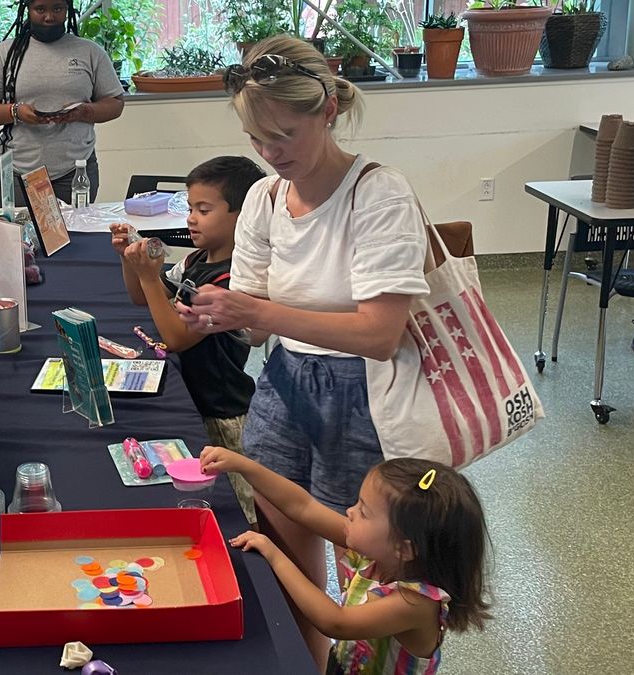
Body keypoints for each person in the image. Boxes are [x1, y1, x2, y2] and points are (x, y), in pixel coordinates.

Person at [177, 35, 431, 669]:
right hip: (287, 382)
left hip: (367, 394)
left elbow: (380, 333)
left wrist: (253, 311)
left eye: (283, 135)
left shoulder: (378, 194)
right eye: (256, 140)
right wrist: (214, 316)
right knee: (282, 541)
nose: (269, 154)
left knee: (369, 559)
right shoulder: (264, 199)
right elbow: (257, 328)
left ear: (329, 111)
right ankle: (306, 663)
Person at [201, 449, 490, 675]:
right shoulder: (380, 553)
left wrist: (274, 553)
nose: (350, 512)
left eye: (364, 511)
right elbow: (302, 506)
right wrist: (246, 467)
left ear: (405, 548)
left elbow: (336, 623)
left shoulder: (416, 603)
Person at [109, 156, 266, 523]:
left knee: (240, 507)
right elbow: (142, 298)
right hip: (200, 397)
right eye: (190, 207)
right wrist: (130, 260)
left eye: (204, 209)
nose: (191, 218)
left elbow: (177, 337)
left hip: (224, 411)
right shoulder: (197, 259)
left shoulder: (231, 281)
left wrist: (149, 277)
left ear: (242, 215)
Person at [0, 0, 124, 207]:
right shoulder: (4, 53)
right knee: (15, 236)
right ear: (28, 10)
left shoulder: (90, 52)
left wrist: (84, 112)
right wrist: (15, 111)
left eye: (57, 9)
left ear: (67, 10)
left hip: (76, 170)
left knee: (76, 236)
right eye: (40, 9)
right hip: (18, 171)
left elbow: (115, 103)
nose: (49, 17)